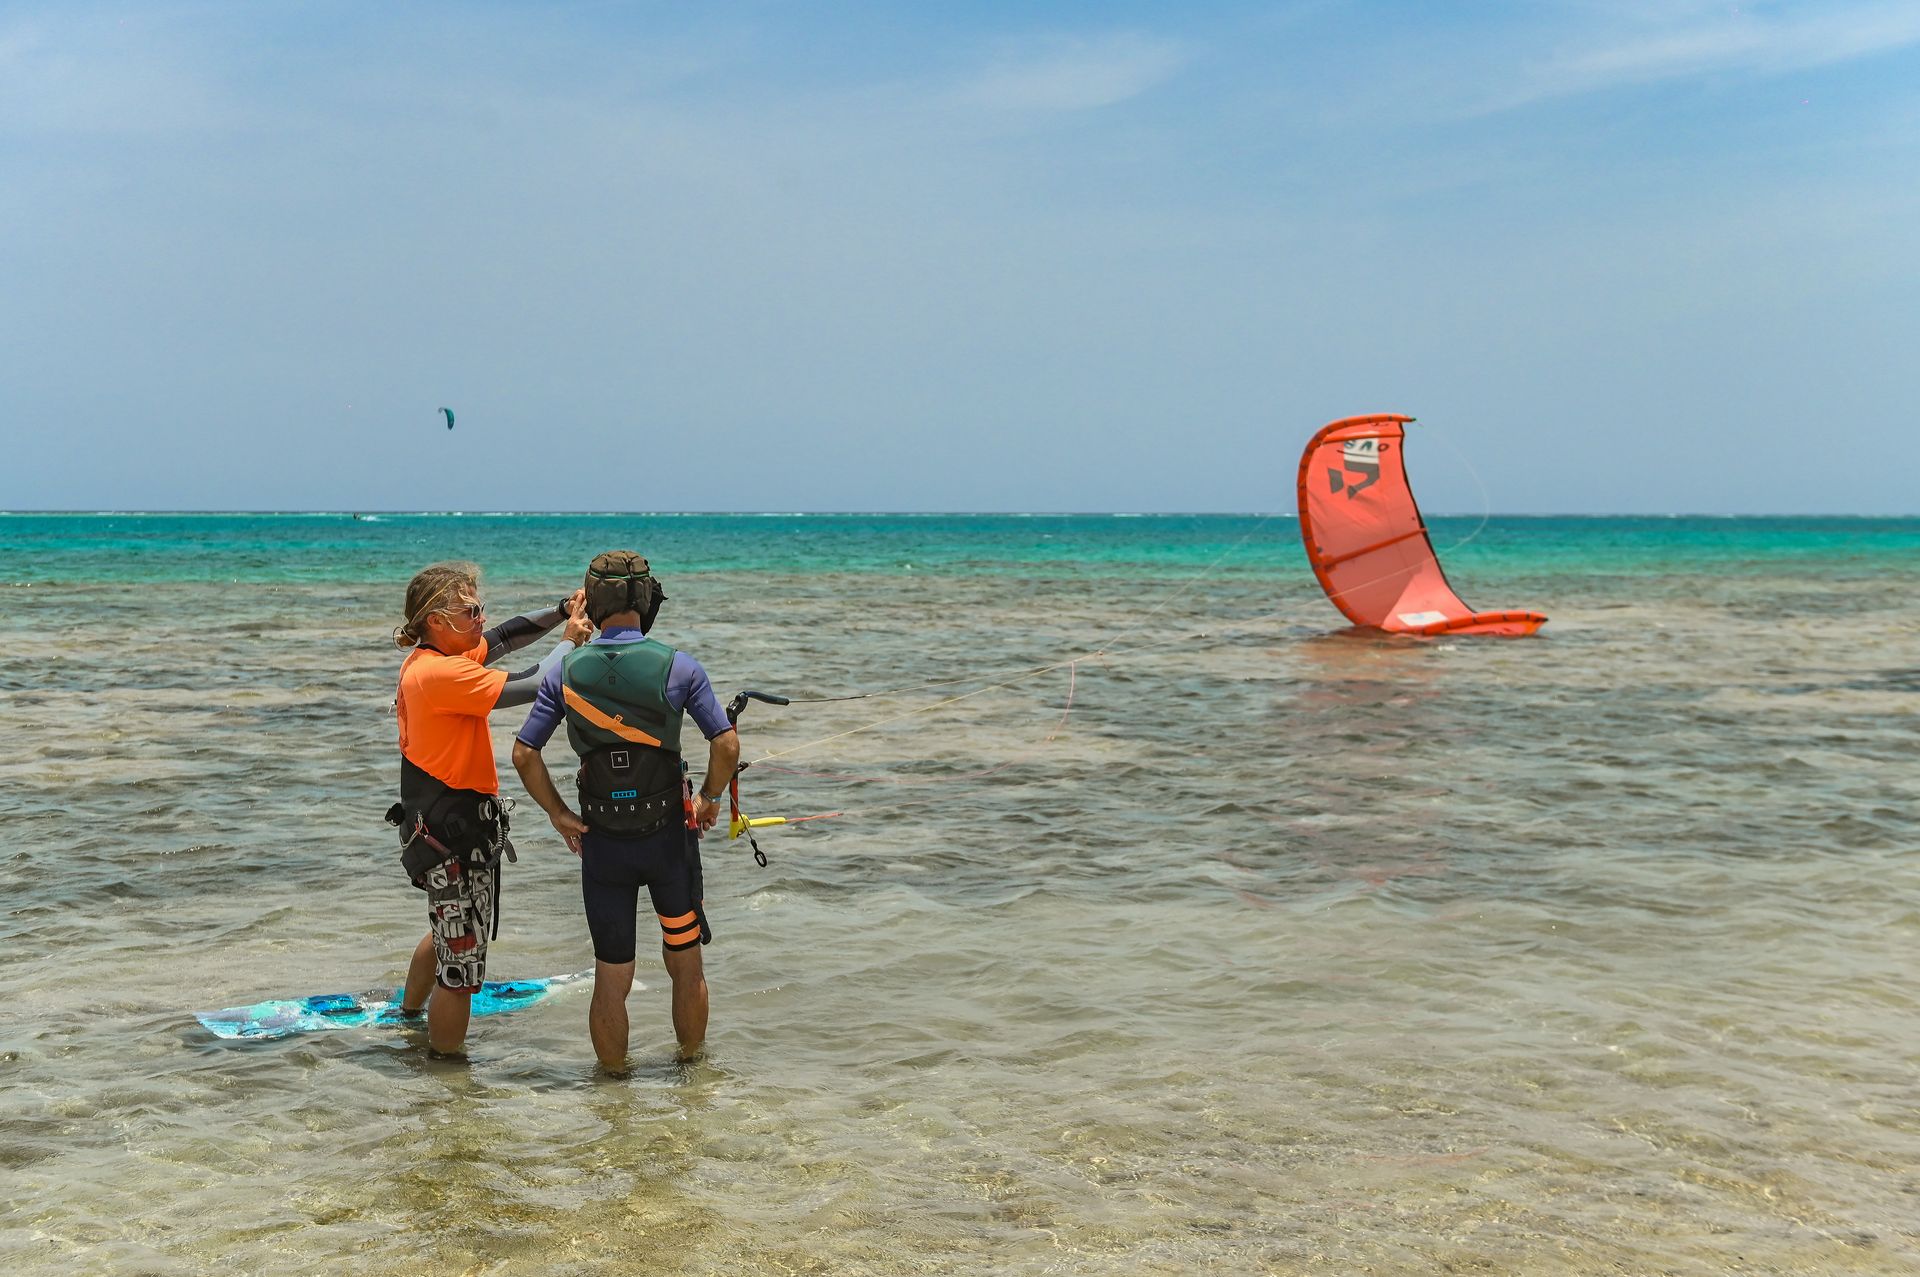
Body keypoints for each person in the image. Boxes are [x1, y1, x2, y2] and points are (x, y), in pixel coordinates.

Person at [512, 550, 739, 1069]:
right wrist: (708, 799)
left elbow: (525, 754)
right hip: (667, 844)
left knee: (611, 975)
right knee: (685, 965)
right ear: (646, 599)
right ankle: (693, 1079)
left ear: (592, 602)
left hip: (603, 846)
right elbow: (725, 745)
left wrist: (558, 813)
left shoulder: (564, 672)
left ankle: (612, 1091)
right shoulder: (679, 666)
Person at [390, 561, 590, 1055]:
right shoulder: (440, 673)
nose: (482, 618)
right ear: (436, 620)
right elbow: (536, 682)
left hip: (438, 828)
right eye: (471, 611)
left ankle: (408, 1015)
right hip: (449, 839)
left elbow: (505, 638)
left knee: (446, 928)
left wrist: (559, 610)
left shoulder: (436, 655)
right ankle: (447, 1072)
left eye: (480, 608)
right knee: (460, 972)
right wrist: (570, 640)